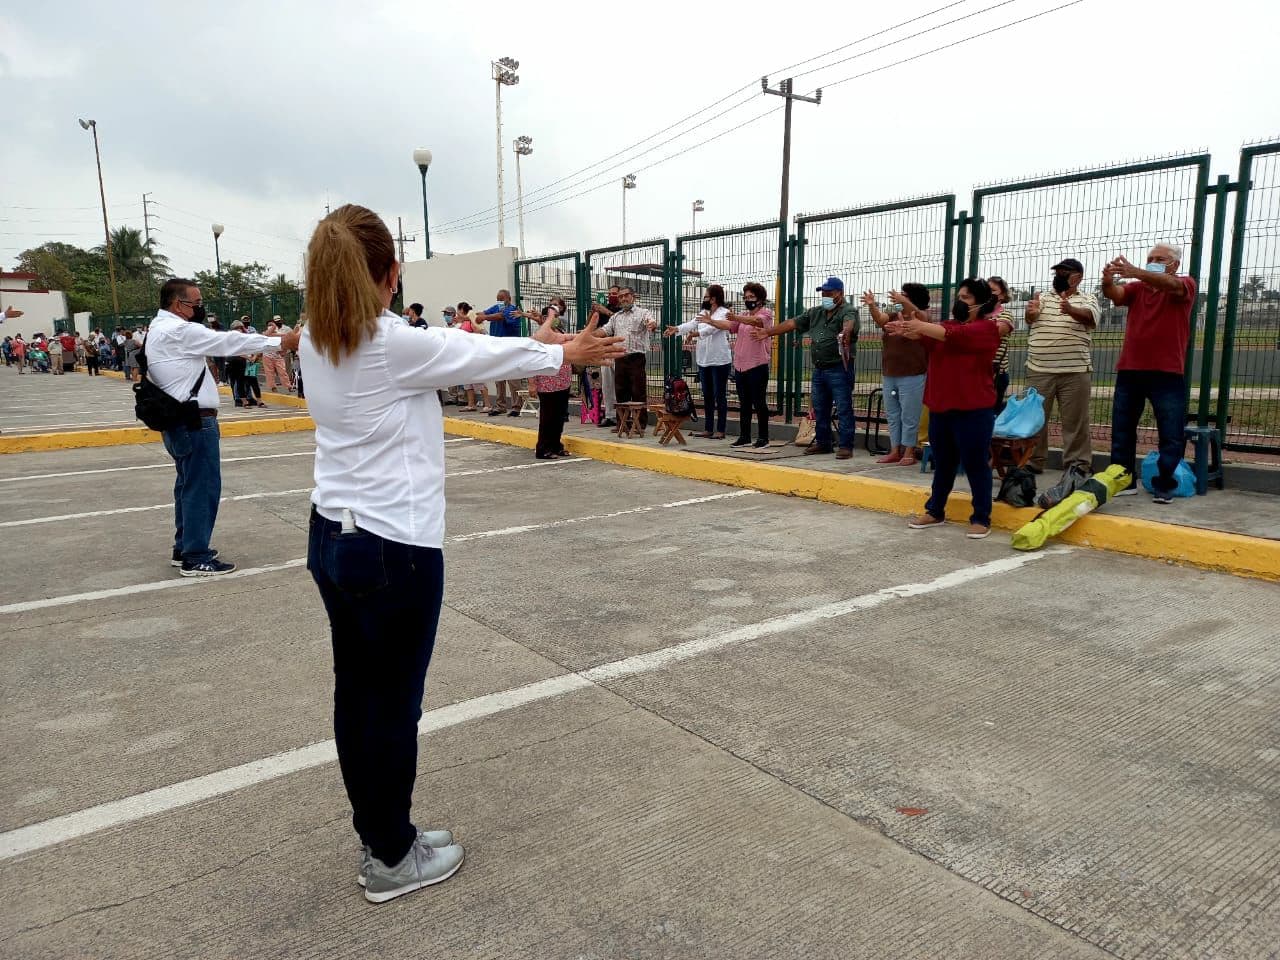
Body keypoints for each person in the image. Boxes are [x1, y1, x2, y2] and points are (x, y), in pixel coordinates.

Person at [296, 204, 623, 904]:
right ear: (388, 276)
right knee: (390, 707)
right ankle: (389, 854)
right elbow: (461, 351)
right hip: (391, 550)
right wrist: (562, 352)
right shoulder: (388, 343)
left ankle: (384, 833)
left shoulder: (312, 339)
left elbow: (462, 349)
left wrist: (537, 344)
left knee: (358, 697)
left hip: (334, 535)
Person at [145, 277, 294, 575]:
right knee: (202, 487)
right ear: (178, 304)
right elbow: (227, 341)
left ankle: (184, 546)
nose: (200, 309)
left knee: (187, 485)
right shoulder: (178, 330)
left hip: (178, 419)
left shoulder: (158, 328)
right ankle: (196, 555)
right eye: (196, 304)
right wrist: (279, 341)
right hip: (194, 422)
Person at [888, 278, 1005, 539]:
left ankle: (981, 517)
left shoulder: (986, 329)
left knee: (976, 464)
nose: (959, 302)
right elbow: (930, 336)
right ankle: (935, 510)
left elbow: (951, 335)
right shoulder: (947, 326)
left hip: (974, 409)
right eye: (959, 297)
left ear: (982, 304)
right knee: (944, 463)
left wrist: (920, 325)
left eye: (966, 298)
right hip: (941, 408)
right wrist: (908, 330)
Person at [1102, 243, 1196, 504]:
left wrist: (1135, 270)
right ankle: (1124, 479)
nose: (1153, 261)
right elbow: (1117, 295)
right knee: (1122, 429)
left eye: (1159, 259)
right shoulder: (1137, 288)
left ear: (1174, 265)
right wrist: (1107, 281)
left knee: (1170, 430)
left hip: (1167, 372)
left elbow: (1173, 287)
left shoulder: (1185, 284)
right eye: (1150, 258)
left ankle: (1165, 483)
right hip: (1130, 369)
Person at [754, 276, 859, 459]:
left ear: (840, 294)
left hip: (839, 368)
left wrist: (846, 332)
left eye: (829, 293)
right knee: (820, 407)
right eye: (823, 293)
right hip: (819, 368)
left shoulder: (848, 310)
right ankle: (823, 443)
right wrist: (768, 332)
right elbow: (791, 323)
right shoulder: (815, 312)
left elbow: (849, 323)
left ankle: (845, 446)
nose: (825, 296)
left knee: (843, 407)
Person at [1023, 258, 1099, 479]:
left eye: (1065, 272)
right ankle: (1033, 461)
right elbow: (1031, 318)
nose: (1059, 275)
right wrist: (1031, 313)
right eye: (1057, 272)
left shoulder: (1088, 298)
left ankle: (1077, 464)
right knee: (1035, 419)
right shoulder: (1042, 297)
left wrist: (1070, 308)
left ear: (1078, 276)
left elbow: (1090, 318)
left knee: (1076, 421)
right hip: (1039, 368)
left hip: (1075, 370)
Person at [862, 283, 931, 466]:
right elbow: (879, 319)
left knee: (910, 415)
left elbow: (923, 317)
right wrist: (871, 305)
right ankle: (895, 450)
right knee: (893, 414)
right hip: (890, 373)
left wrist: (904, 303)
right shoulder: (893, 316)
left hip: (913, 374)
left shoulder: (920, 318)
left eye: (903, 296)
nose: (898, 299)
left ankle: (909, 451)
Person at [665, 284, 731, 439]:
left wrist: (695, 333)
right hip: (704, 360)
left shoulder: (724, 313)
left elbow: (712, 329)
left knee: (719, 395)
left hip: (719, 360)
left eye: (706, 296)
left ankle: (720, 430)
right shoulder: (704, 312)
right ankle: (708, 429)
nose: (705, 299)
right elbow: (692, 323)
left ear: (714, 298)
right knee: (707, 395)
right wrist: (678, 329)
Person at [721, 282, 775, 448]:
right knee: (744, 402)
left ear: (760, 298)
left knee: (759, 402)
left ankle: (763, 438)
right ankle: (744, 436)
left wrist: (736, 317)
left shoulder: (766, 313)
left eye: (751, 297)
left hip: (757, 364)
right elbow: (731, 327)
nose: (748, 300)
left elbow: (757, 321)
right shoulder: (744, 313)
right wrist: (711, 321)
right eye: (746, 297)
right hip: (740, 365)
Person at [597, 286, 658, 429]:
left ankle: (639, 424)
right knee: (621, 392)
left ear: (633, 296)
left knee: (638, 392)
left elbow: (651, 322)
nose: (623, 298)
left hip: (636, 358)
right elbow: (605, 330)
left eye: (626, 295)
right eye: (621, 297)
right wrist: (588, 335)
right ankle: (622, 424)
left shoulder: (643, 312)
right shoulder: (616, 317)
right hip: (620, 358)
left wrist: (652, 325)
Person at [533, 297, 574, 458]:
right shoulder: (539, 337)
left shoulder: (561, 333)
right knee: (547, 417)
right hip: (547, 383)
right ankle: (543, 448)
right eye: (552, 317)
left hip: (563, 382)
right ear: (544, 319)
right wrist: (531, 383)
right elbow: (533, 360)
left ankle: (556, 445)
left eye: (557, 317)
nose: (555, 320)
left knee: (559, 416)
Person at [482, 289, 524, 415]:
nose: (499, 301)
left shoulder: (513, 310)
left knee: (513, 378)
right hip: (497, 348)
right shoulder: (495, 308)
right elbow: (484, 312)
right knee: (498, 378)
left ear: (508, 299)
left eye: (501, 299)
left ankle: (517, 406)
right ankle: (501, 406)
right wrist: (473, 315)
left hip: (510, 348)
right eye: (498, 299)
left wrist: (483, 317)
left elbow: (499, 316)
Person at [589, 285, 623, 426]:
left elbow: (619, 322)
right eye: (609, 293)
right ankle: (610, 415)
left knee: (620, 384)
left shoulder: (623, 309)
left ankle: (622, 414)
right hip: (604, 349)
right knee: (607, 384)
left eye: (614, 293)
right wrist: (593, 312)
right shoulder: (604, 307)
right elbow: (590, 326)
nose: (611, 296)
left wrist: (606, 311)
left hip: (619, 349)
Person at [988, 277, 1014, 414]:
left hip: (996, 373)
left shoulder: (1006, 314)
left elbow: (994, 333)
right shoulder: (977, 314)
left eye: (992, 290)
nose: (988, 293)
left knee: (991, 413)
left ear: (1003, 295)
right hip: (977, 371)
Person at [262, 316, 295, 392]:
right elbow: (268, 334)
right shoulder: (265, 334)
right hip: (267, 356)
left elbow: (285, 342)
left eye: (272, 325)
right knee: (270, 373)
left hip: (278, 356)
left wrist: (283, 352)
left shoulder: (280, 334)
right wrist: (273, 326)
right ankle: (273, 387)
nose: (271, 327)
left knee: (283, 371)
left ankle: (288, 386)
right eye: (269, 326)